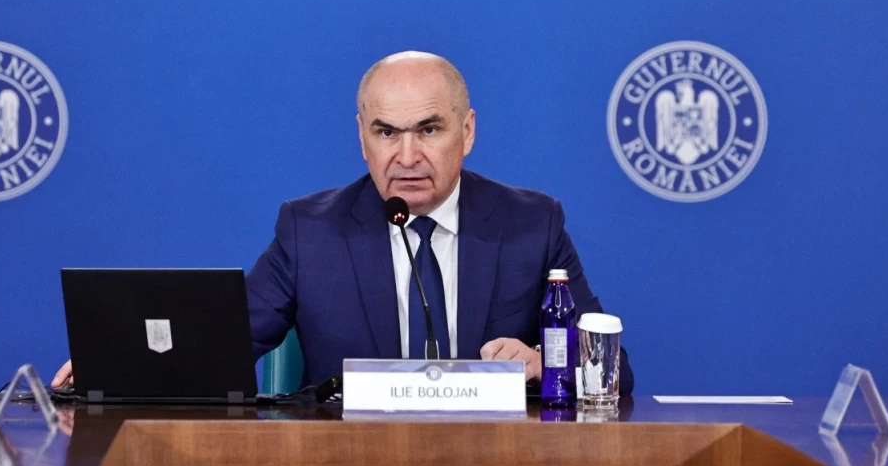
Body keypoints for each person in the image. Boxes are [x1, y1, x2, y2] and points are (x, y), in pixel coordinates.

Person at [54, 51, 632, 394]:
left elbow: (613, 373)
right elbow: (222, 343)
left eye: (429, 130)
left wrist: (546, 364)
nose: (407, 156)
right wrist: (125, 364)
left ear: (468, 132)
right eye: (386, 132)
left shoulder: (531, 224)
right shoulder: (311, 231)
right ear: (362, 137)